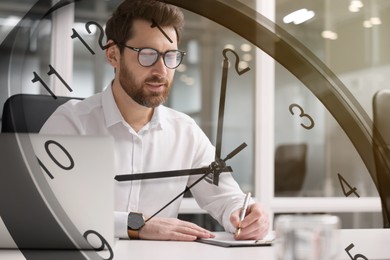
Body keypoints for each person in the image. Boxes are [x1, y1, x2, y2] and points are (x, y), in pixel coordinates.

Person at [40, 0, 269, 241]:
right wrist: (136, 224)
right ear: (113, 54)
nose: (161, 71)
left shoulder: (185, 131)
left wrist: (246, 214)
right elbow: (43, 209)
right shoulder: (71, 123)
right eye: (147, 55)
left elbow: (226, 197)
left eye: (170, 56)